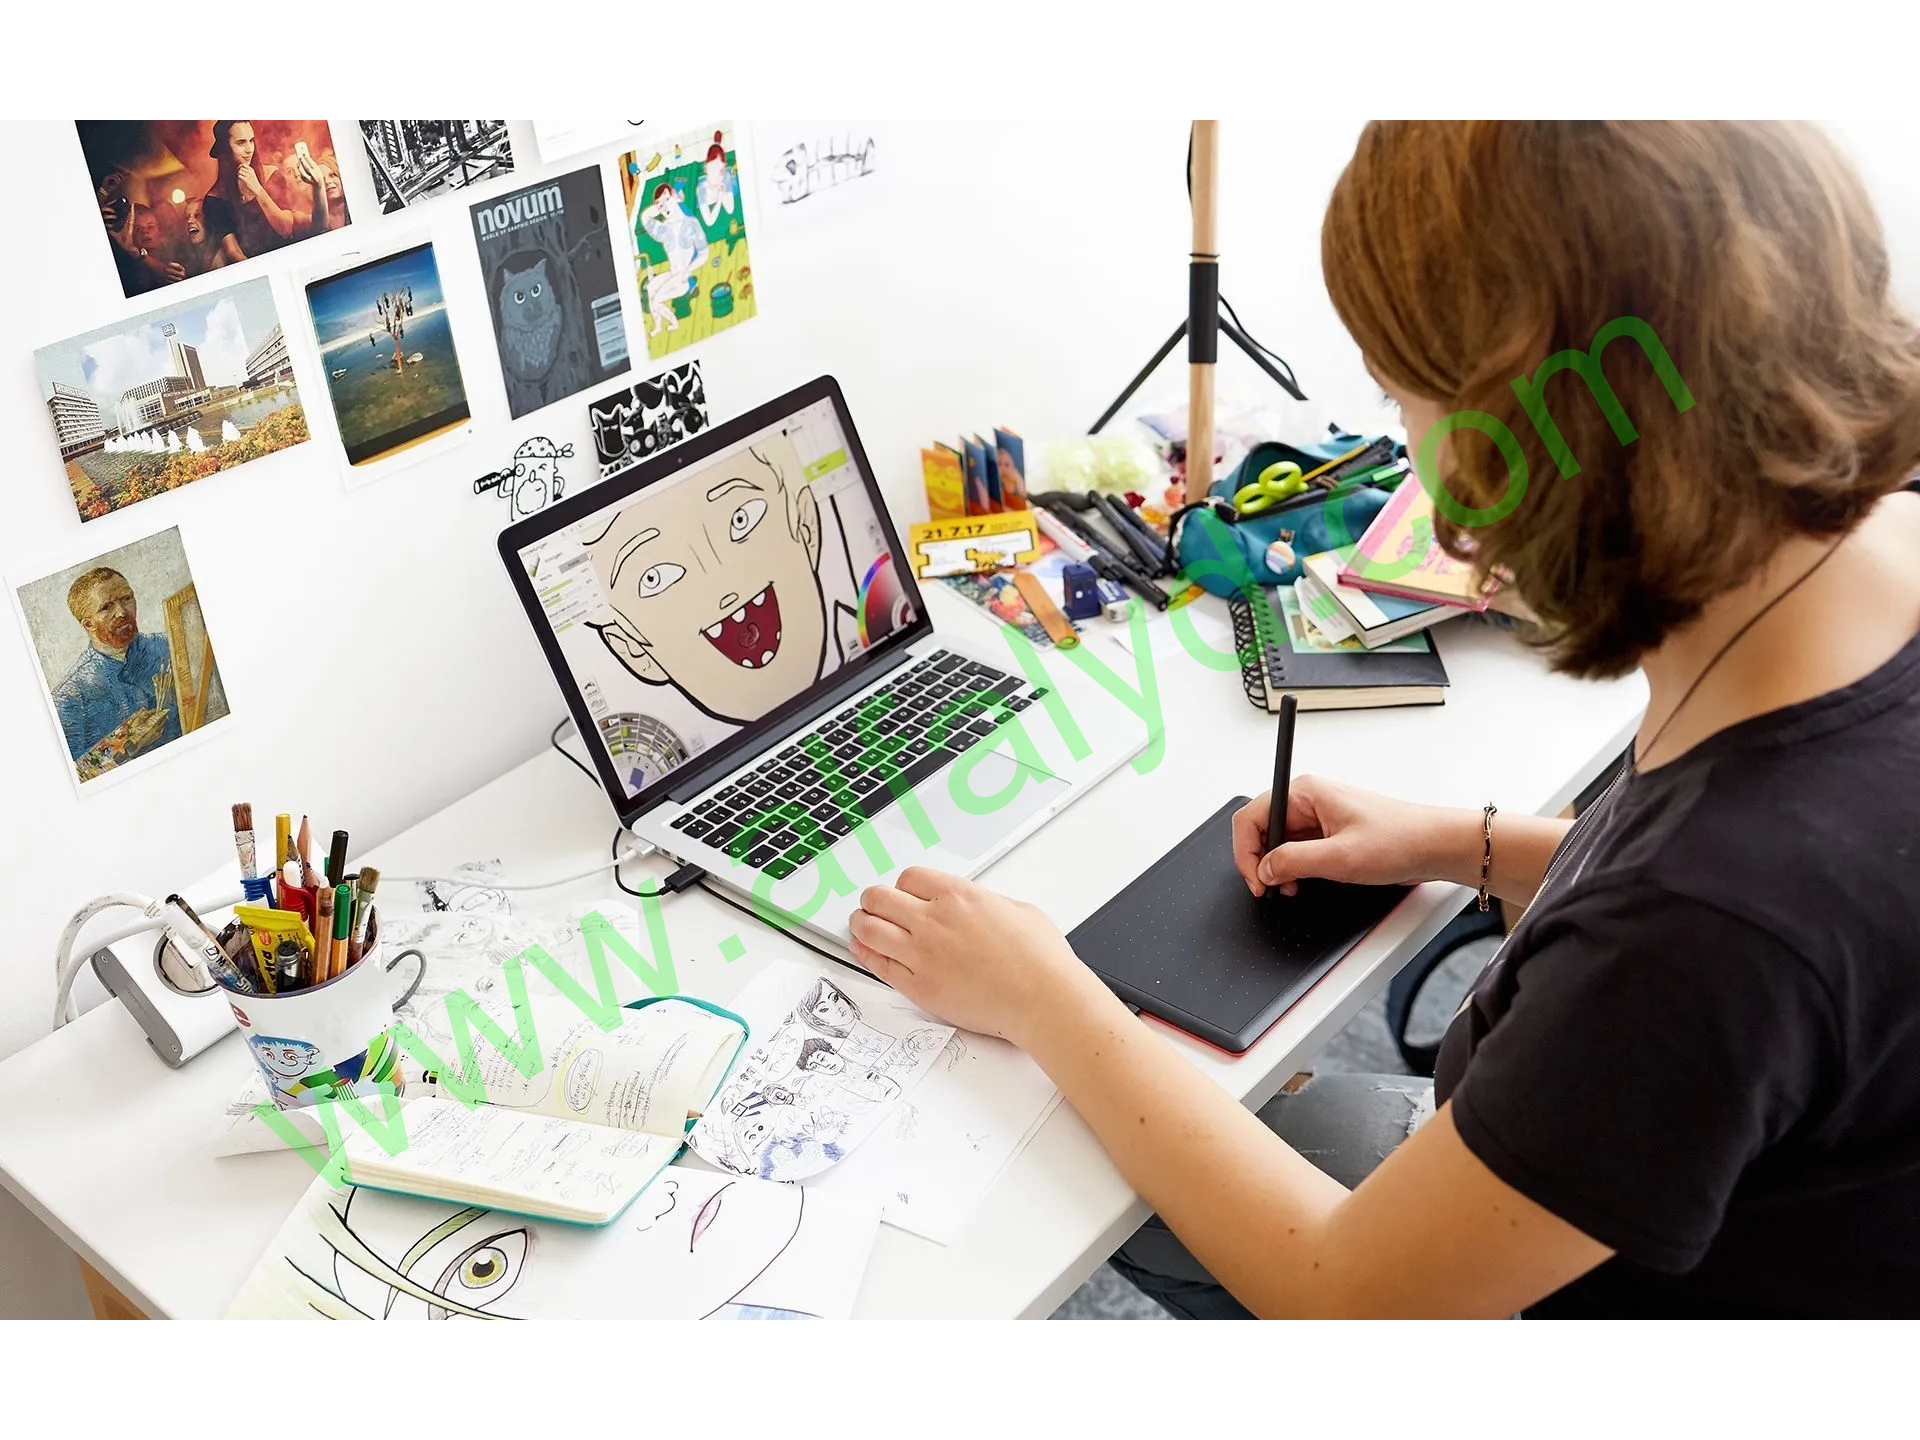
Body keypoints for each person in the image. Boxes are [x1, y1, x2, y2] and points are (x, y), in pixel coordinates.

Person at [849, 121, 1920, 1318]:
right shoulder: (1864, 558)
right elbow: (1742, 896)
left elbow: (1345, 1294)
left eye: (1400, 399)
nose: (1407, 458)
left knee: (1106, 1180)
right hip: (1692, 1185)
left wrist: (1044, 993)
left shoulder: (1710, 929)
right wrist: (1458, 843)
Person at [52, 567, 182, 763]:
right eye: (106, 607)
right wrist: (129, 741)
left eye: (127, 598)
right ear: (88, 624)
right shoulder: (70, 697)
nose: (122, 612)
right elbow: (74, 773)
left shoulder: (171, 645)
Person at [201, 120, 296, 264]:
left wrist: (257, 189)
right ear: (225, 149)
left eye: (251, 141)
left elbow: (287, 229)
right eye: (241, 143)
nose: (249, 149)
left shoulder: (272, 175)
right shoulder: (214, 199)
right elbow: (232, 251)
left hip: (289, 258)